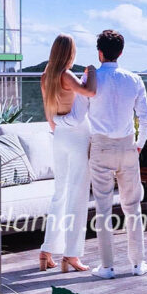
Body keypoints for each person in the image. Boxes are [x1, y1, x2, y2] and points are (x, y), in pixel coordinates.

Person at [81, 29, 147, 278]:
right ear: (120, 53)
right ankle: (137, 264)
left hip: (100, 147)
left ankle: (107, 267)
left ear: (99, 53)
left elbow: (81, 115)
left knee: (102, 208)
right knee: (132, 207)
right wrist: (139, 145)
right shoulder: (134, 79)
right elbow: (146, 119)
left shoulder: (91, 78)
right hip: (127, 148)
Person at [37, 34, 96, 273]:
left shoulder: (45, 76)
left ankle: (47, 251)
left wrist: (59, 125)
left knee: (59, 194)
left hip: (58, 136)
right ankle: (71, 255)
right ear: (70, 53)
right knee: (78, 196)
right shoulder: (66, 75)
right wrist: (91, 72)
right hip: (77, 136)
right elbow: (89, 92)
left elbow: (48, 115)